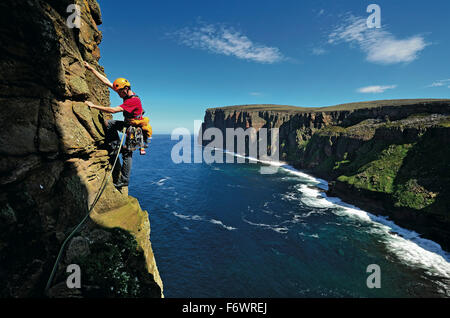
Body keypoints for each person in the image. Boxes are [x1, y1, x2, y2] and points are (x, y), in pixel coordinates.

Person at [83, 61, 144, 188]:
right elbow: (107, 82)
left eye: (120, 92)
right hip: (128, 125)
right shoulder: (124, 93)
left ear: (126, 89)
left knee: (127, 155)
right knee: (109, 124)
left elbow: (113, 110)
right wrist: (91, 69)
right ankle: (116, 147)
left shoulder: (133, 101)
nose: (118, 94)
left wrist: (93, 106)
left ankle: (124, 180)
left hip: (134, 130)